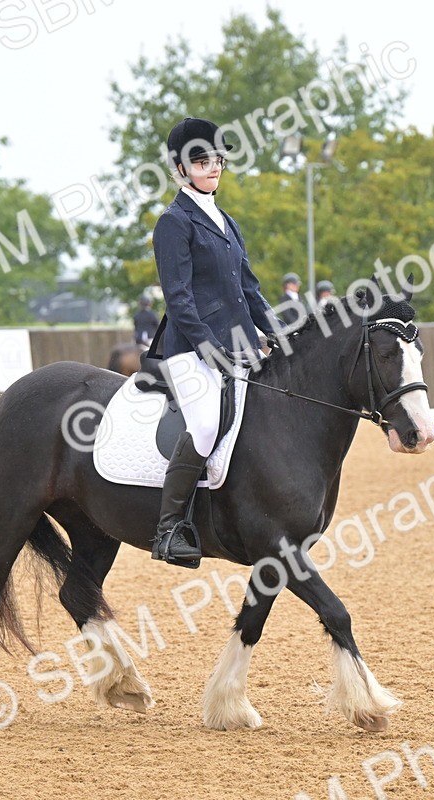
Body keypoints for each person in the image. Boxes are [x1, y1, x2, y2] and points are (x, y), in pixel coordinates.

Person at [151, 116, 282, 566]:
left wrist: (279, 333)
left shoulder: (227, 222)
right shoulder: (174, 222)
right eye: (202, 160)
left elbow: (249, 288)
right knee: (206, 425)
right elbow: (179, 298)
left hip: (239, 343)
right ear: (182, 168)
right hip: (191, 348)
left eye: (218, 159)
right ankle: (169, 530)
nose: (213, 167)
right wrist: (211, 348)